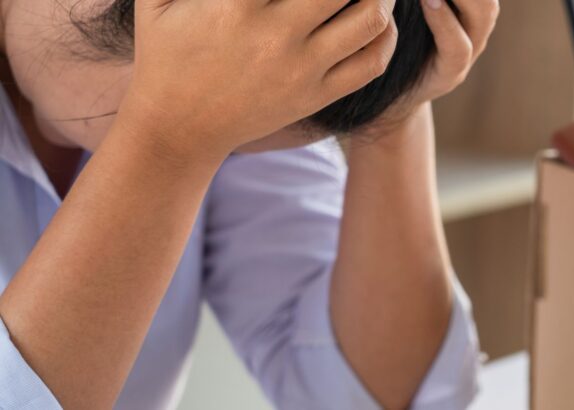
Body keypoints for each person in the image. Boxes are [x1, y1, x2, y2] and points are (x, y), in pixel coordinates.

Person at [0, 0, 498, 408]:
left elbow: (369, 395)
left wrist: (390, 105)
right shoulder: (213, 58)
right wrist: (166, 142)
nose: (225, 151)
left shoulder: (251, 63)